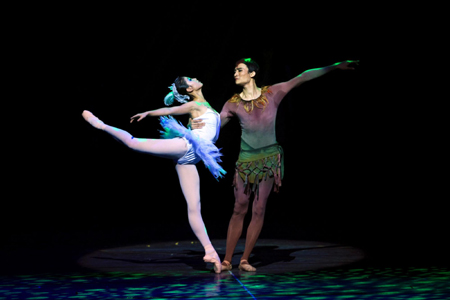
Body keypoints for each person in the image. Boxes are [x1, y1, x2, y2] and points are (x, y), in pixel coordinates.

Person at [191, 58, 359, 272]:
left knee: (259, 209)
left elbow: (302, 77)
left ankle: (244, 259)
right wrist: (195, 124)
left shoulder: (273, 93)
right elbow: (214, 128)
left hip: (269, 160)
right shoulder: (232, 103)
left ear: (252, 73)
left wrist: (334, 67)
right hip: (245, 162)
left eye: (239, 70)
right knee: (238, 208)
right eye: (234, 70)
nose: (235, 73)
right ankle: (226, 260)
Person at [82, 76, 226, 273]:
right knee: (133, 142)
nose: (195, 78)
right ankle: (101, 125)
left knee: (194, 207)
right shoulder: (195, 104)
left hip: (192, 159)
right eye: (190, 79)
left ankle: (210, 252)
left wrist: (193, 125)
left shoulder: (205, 105)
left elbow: (211, 126)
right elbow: (169, 110)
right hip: (186, 147)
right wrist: (149, 113)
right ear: (190, 89)